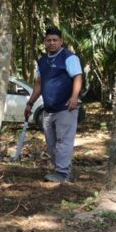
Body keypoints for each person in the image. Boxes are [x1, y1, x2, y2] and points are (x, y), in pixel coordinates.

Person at [24, 26, 83, 183]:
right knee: (52, 144)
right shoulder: (42, 61)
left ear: (61, 41)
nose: (52, 43)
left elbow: (77, 77)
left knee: (64, 141)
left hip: (66, 108)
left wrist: (74, 97)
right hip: (48, 110)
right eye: (48, 40)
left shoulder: (69, 57)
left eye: (55, 40)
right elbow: (39, 83)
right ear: (44, 42)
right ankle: (62, 170)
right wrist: (30, 103)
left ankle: (63, 173)